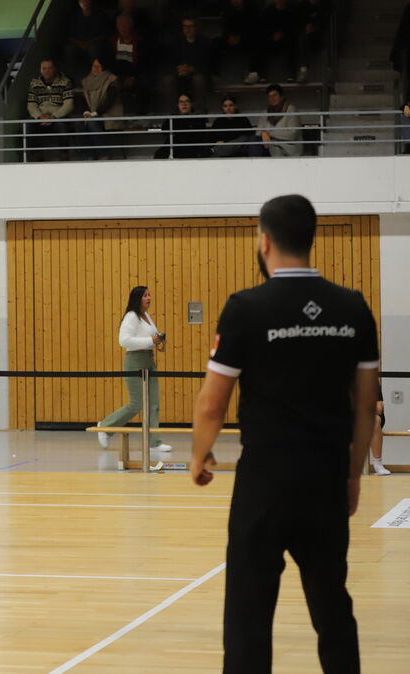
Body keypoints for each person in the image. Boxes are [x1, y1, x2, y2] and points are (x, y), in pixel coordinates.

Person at [191, 194, 378, 672]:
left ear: (264, 240)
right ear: (311, 239)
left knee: (249, 612)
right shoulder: (352, 307)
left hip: (265, 484)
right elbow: (365, 407)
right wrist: (353, 476)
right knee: (332, 605)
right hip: (327, 480)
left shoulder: (246, 308)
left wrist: (200, 456)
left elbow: (213, 403)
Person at [95, 286, 172, 453]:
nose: (149, 298)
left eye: (149, 294)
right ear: (137, 298)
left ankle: (154, 442)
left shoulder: (147, 317)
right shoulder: (131, 317)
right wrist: (150, 340)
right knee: (137, 403)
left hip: (149, 360)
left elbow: (151, 337)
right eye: (145, 295)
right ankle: (105, 426)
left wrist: (158, 342)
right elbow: (124, 341)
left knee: (154, 404)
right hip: (135, 361)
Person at [26, 59, 75, 161]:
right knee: (29, 125)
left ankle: (64, 155)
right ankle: (37, 157)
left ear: (55, 69)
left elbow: (69, 105)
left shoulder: (65, 82)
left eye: (49, 68)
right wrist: (39, 116)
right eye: (44, 68)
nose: (47, 71)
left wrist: (54, 117)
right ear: (40, 70)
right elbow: (31, 104)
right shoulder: (34, 83)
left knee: (62, 125)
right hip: (41, 117)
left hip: (58, 117)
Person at [79, 56, 122, 160]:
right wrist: (86, 113)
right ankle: (88, 156)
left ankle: (103, 155)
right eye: (94, 66)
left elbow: (109, 102)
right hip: (91, 116)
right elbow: (84, 100)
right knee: (79, 125)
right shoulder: (86, 81)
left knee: (92, 123)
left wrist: (94, 114)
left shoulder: (112, 80)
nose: (96, 69)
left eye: (99, 66)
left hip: (108, 116)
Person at [257, 84, 300, 157]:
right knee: (254, 142)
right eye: (269, 96)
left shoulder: (291, 110)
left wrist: (269, 133)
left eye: (275, 95)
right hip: (271, 148)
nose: (272, 98)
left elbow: (293, 134)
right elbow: (258, 132)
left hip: (289, 150)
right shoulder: (265, 113)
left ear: (282, 97)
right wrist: (263, 133)